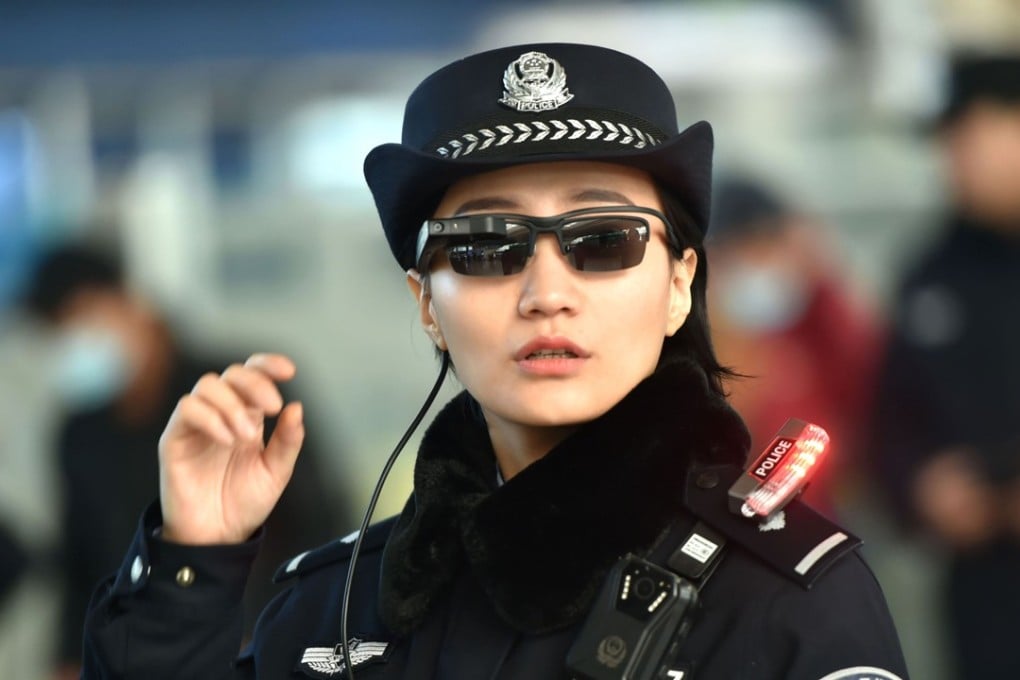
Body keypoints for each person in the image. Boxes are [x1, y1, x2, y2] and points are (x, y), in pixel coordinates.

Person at [79, 43, 908, 679]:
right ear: (424, 304)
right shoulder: (330, 609)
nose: (546, 291)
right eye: (484, 248)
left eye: (604, 240)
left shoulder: (786, 601)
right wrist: (194, 560)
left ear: (679, 288)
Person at [20, 242, 352, 677]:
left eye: (81, 318)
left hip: (258, 642)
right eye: (58, 330)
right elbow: (81, 559)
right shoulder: (79, 431)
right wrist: (69, 655)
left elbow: (318, 523)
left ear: (130, 303)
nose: (72, 341)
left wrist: (269, 627)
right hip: (134, 655)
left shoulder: (235, 396)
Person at [869, 51, 1020, 680]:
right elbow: (891, 417)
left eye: (972, 135)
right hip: (986, 587)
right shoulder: (931, 273)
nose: (954, 158)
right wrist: (921, 486)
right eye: (948, 141)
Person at [707, 176, 883, 520]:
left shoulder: (809, 332)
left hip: (818, 522)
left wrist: (822, 281)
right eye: (745, 250)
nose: (760, 264)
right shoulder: (694, 347)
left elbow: (867, 384)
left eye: (770, 246)